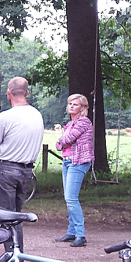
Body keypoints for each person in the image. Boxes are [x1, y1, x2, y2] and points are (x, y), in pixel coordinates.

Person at [0, 76, 44, 244]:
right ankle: (17, 258)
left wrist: (0, 145)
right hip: (27, 171)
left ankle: (12, 260)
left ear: (8, 93)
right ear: (27, 92)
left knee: (6, 217)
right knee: (16, 215)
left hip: (7, 170)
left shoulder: (5, 117)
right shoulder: (37, 115)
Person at [55, 94, 94, 248]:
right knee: (68, 198)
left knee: (71, 198)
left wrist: (61, 142)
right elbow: (60, 145)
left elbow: (66, 140)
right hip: (67, 161)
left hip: (78, 162)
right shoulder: (70, 123)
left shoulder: (83, 122)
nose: (71, 106)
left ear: (82, 107)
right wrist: (61, 142)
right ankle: (71, 232)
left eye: (75, 104)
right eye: (70, 103)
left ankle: (80, 234)